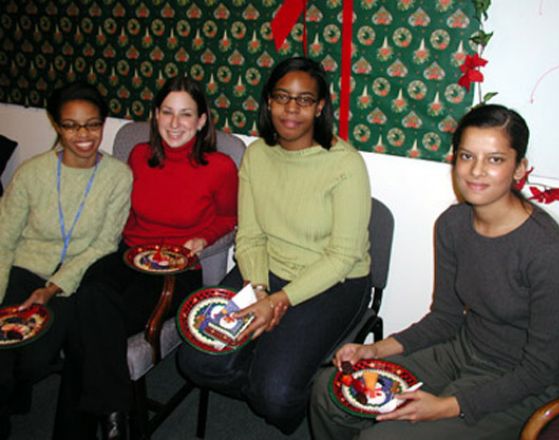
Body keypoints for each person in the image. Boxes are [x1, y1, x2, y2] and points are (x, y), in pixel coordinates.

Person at [310, 104, 559, 440]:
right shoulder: (452, 224)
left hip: (520, 382)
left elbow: (540, 369)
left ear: (519, 168)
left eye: (495, 159)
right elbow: (445, 318)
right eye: (467, 156)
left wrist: (449, 405)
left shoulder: (548, 251)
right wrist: (372, 351)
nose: (476, 171)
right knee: (331, 391)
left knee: (383, 437)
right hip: (463, 348)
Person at [177, 56, 372, 434]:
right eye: (282, 97)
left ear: (319, 107)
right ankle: (268, 363)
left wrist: (278, 303)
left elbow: (342, 256)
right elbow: (249, 236)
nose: (291, 108)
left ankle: (286, 385)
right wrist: (259, 289)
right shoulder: (256, 155)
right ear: (268, 102)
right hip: (264, 272)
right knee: (196, 361)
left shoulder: (345, 164)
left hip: (334, 282)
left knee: (277, 394)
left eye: (304, 100)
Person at [53, 76, 239, 439]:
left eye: (186, 114)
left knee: (86, 318)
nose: (174, 123)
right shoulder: (138, 154)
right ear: (155, 115)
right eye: (167, 112)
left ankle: (82, 429)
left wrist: (203, 237)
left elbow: (230, 216)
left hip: (177, 270)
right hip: (129, 255)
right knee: (88, 296)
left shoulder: (220, 167)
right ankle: (116, 416)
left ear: (202, 120)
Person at [0, 81, 132, 440]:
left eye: (92, 124)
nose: (83, 135)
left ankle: (16, 392)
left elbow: (104, 244)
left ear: (103, 124)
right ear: (57, 125)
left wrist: (51, 289)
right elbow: (4, 238)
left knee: (36, 357)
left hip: (73, 278)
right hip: (25, 268)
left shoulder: (118, 176)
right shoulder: (32, 172)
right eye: (71, 125)